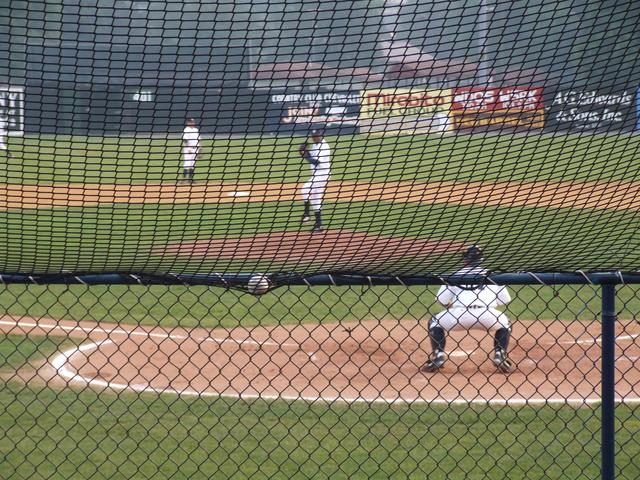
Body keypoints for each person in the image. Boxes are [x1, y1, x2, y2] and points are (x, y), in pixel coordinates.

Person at [421, 245, 514, 373]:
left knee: (434, 320)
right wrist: (487, 303)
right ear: (481, 259)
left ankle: (438, 355)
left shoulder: (455, 275)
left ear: (464, 259)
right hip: (488, 315)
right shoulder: (492, 274)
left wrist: (451, 306)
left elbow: (441, 300)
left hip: (459, 315)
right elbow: (504, 300)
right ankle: (500, 354)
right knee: (506, 322)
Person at [299, 129, 330, 232]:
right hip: (317, 175)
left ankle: (307, 214)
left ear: (321, 135)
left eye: (317, 136)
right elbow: (311, 156)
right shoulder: (315, 145)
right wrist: (304, 151)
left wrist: (304, 155)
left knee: (305, 190)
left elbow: (316, 162)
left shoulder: (324, 147)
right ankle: (319, 225)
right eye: (313, 136)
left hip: (322, 175)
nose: (315, 138)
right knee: (315, 199)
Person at [181, 118, 200, 184]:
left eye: (193, 122)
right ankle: (183, 179)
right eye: (191, 122)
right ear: (188, 123)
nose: (192, 123)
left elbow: (198, 140)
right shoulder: (186, 130)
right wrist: (188, 148)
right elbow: (185, 140)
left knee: (193, 164)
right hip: (188, 149)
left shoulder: (196, 130)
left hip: (195, 148)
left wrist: (200, 149)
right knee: (187, 164)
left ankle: (190, 179)